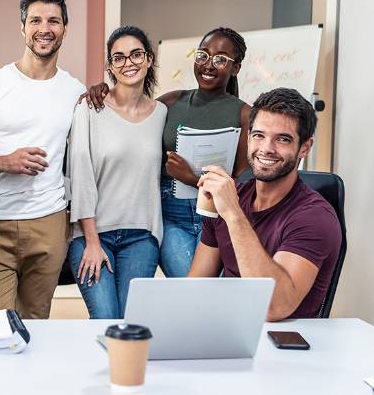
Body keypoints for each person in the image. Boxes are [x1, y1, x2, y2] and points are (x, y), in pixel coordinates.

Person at [84, 27, 252, 278]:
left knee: (206, 295)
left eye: (220, 59)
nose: (208, 65)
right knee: (189, 291)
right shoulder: (171, 103)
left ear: (235, 68)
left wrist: (192, 178)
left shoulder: (245, 114)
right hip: (171, 217)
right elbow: (132, 116)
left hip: (217, 217)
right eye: (202, 55)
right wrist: (104, 90)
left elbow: (245, 182)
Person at [0, 0, 86, 319]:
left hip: (49, 221)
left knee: (37, 321)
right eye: (35, 20)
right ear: (22, 28)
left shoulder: (75, 92)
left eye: (53, 20)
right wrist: (5, 162)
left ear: (64, 28)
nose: (44, 28)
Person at [189, 88, 341, 321]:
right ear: (248, 137)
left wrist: (233, 213)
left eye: (283, 139)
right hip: (228, 332)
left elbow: (272, 307)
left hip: (283, 343)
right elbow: (194, 287)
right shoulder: (231, 197)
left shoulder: (316, 218)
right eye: (259, 135)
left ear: (305, 147)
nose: (266, 148)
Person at [67, 26, 166, 319]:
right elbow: (81, 176)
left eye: (136, 54)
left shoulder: (162, 113)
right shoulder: (89, 108)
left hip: (141, 237)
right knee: (106, 319)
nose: (129, 63)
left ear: (149, 59)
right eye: (119, 58)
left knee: (131, 322)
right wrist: (93, 243)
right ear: (110, 66)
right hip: (93, 235)